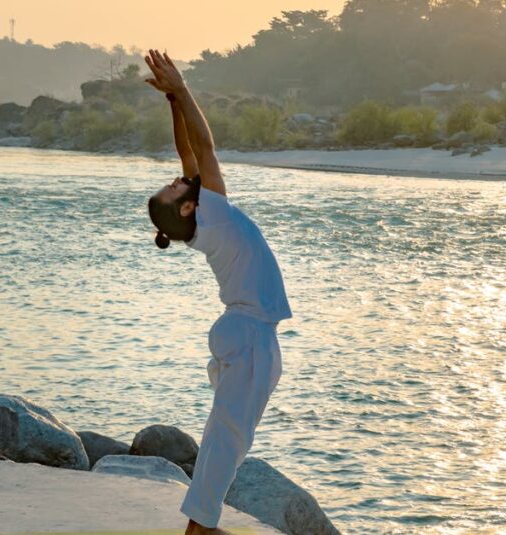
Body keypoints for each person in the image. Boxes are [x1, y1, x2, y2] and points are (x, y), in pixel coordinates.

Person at [143, 49, 292, 535]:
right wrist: (183, 89)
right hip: (248, 334)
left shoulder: (204, 217)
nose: (175, 179)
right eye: (172, 189)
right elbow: (204, 149)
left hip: (244, 333)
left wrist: (171, 101)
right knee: (228, 439)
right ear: (186, 210)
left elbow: (188, 155)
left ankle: (202, 523)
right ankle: (199, 528)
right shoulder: (216, 214)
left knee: (229, 434)